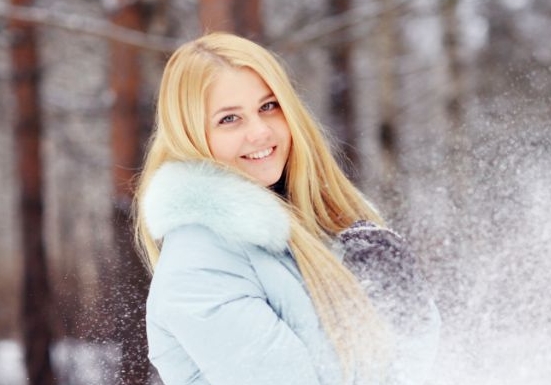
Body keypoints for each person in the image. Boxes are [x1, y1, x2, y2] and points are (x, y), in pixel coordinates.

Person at [133, 32, 440, 385]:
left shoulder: (316, 226)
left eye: (268, 106)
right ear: (191, 135)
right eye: (229, 119)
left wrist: (406, 314)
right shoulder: (199, 268)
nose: (260, 132)